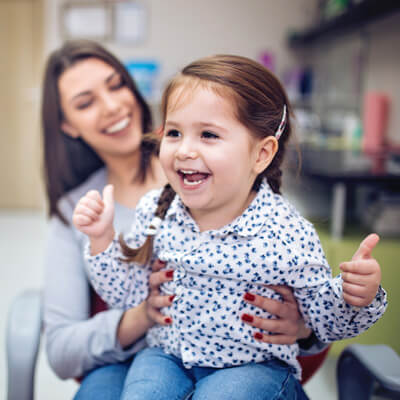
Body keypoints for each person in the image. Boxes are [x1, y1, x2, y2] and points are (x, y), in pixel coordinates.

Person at [73, 54, 387, 400]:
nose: (185, 150)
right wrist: (102, 238)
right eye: (174, 132)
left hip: (255, 369)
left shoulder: (287, 233)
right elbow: (126, 293)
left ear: (261, 155)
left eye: (208, 134)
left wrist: (355, 296)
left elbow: (325, 321)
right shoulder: (156, 211)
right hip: (167, 357)